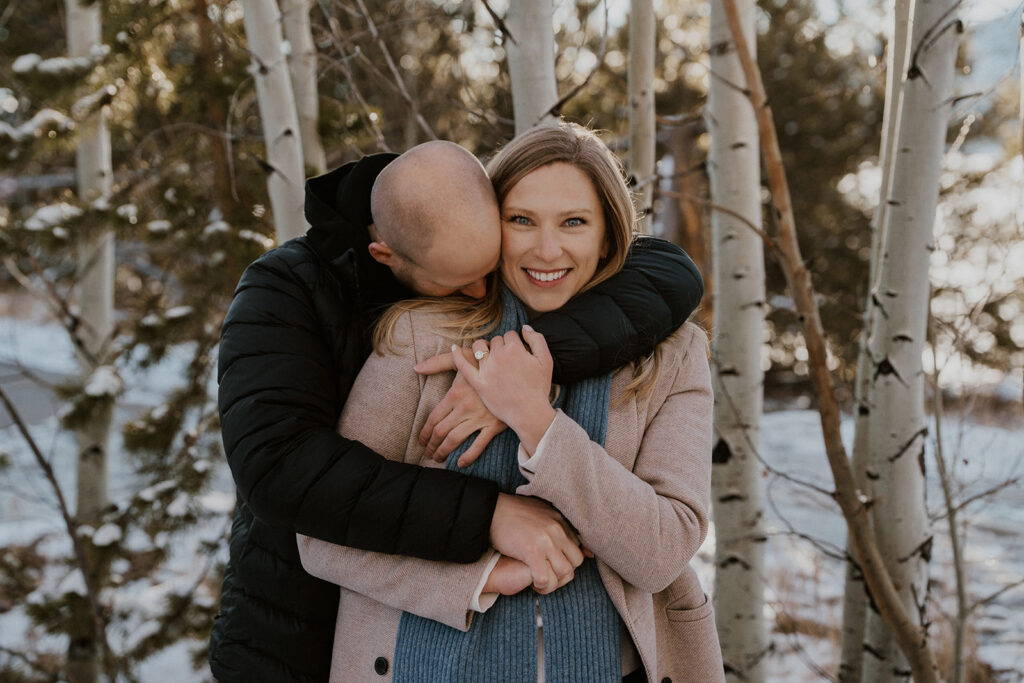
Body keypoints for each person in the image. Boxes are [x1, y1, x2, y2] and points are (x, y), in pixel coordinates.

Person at [210, 139, 706, 681]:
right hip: (314, 640)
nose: (545, 249)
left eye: (574, 222)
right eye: (521, 220)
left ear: (611, 232)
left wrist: (529, 411)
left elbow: (665, 548)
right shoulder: (400, 328)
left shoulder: (669, 352)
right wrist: (484, 557)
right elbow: (298, 499)